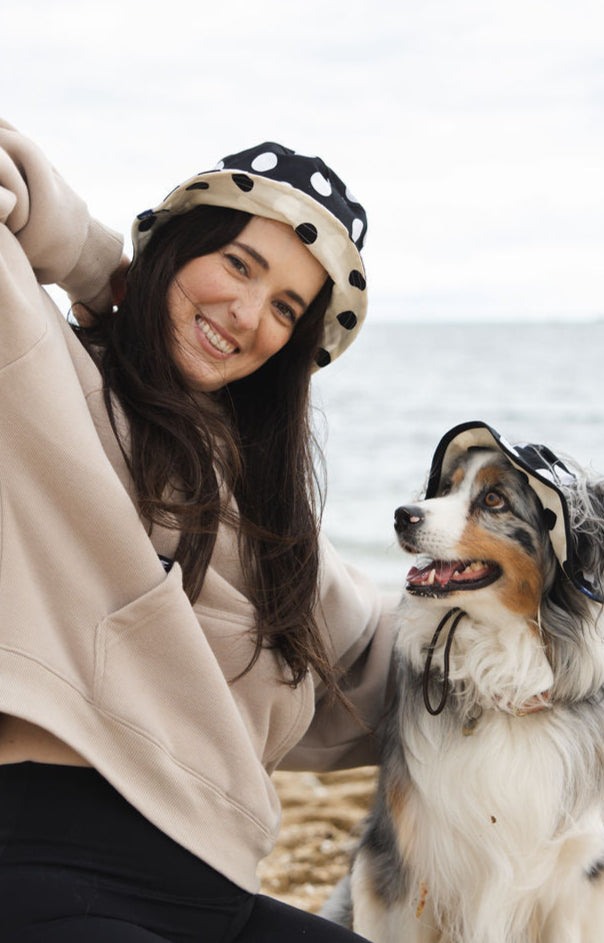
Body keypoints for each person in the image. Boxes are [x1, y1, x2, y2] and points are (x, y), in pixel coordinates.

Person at [0, 120, 396, 941]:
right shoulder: (42, 375)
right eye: (236, 263)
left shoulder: (270, 516)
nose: (246, 314)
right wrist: (99, 262)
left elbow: (382, 661)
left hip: (211, 890)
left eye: (286, 306)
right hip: (45, 857)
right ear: (177, 248)